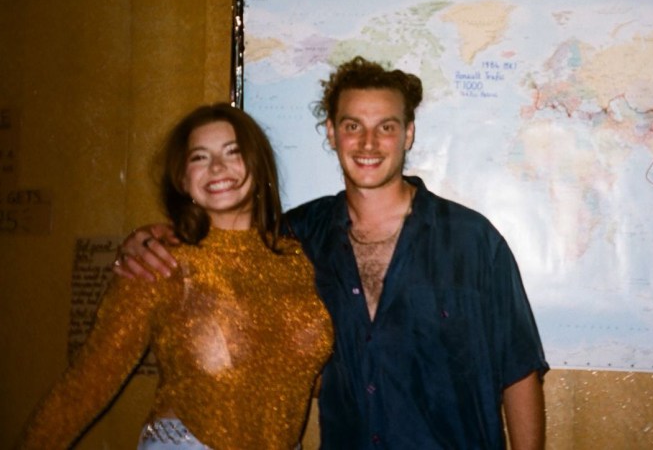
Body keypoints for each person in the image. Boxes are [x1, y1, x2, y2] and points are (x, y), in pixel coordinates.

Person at [118, 57, 549, 449]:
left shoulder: (473, 241)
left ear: (408, 134)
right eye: (352, 125)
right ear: (330, 132)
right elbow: (220, 245)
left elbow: (519, 371)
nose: (368, 142)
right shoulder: (293, 239)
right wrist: (152, 238)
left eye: (386, 126)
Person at [18, 103, 334, 449]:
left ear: (258, 167)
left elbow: (306, 374)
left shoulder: (298, 261)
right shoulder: (160, 261)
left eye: (233, 152)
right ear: (183, 179)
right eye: (199, 157)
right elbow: (88, 382)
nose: (217, 167)